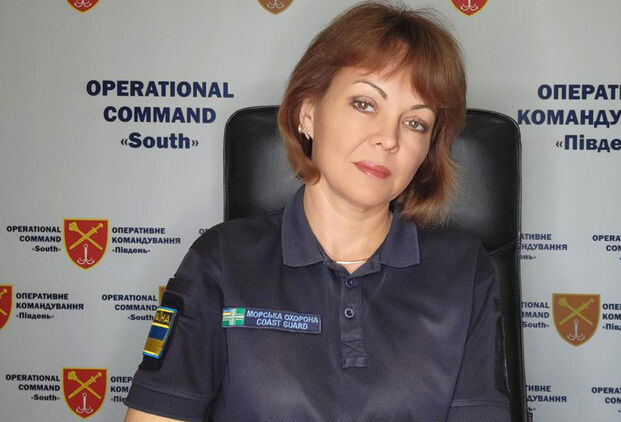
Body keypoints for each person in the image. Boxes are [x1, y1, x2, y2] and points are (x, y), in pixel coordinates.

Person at [124, 1, 510, 421]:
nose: (388, 138)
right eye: (365, 104)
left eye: (415, 123)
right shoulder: (221, 260)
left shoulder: (464, 271)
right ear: (308, 112)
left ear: (427, 151)